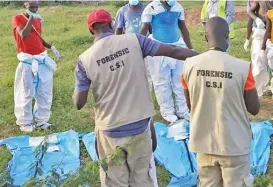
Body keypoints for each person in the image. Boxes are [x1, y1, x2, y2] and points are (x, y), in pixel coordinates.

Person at [72, 9, 198, 187]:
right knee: (142, 178)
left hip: (110, 129)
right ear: (111, 24)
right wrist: (206, 56)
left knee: (115, 180)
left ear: (91, 30)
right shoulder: (135, 41)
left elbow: (79, 103)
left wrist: (78, 90)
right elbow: (173, 51)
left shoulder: (84, 60)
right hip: (139, 125)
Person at [182, 17, 260, 187]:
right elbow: (254, 109)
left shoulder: (189, 66)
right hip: (234, 144)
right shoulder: (242, 67)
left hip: (203, 143)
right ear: (227, 35)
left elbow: (190, 105)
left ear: (205, 37)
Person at [140, 0, 193, 123]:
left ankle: (183, 110)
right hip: (157, 49)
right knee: (161, 81)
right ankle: (167, 111)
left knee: (180, 80)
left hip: (178, 46)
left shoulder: (178, 7)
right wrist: (139, 49)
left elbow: (183, 29)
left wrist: (190, 49)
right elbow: (143, 31)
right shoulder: (151, 8)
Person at [12, 0, 60, 133]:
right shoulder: (18, 18)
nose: (34, 9)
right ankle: (25, 123)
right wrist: (31, 18)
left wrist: (50, 46)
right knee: (26, 92)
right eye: (31, 7)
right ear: (25, 6)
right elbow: (24, 35)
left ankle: (42, 120)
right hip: (28, 61)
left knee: (44, 92)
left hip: (41, 59)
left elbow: (37, 36)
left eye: (36, 7)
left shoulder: (37, 20)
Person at [115, 0, 153, 92]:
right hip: (129, 46)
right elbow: (119, 30)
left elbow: (152, 28)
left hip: (146, 45)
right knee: (132, 72)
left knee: (148, 71)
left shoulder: (147, 9)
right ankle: (134, 94)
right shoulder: (122, 11)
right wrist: (117, 46)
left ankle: (147, 94)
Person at [248, 1, 273, 97]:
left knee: (269, 63)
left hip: (270, 35)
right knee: (258, 63)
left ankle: (266, 87)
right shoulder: (260, 1)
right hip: (261, 33)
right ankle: (256, 91)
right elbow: (250, 13)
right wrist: (257, 19)